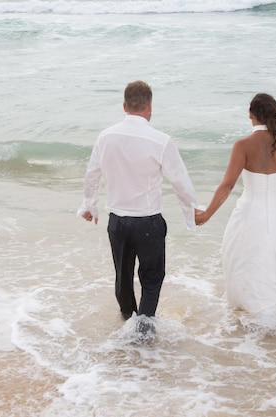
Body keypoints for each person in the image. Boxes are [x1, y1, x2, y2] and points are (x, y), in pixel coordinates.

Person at [78, 80, 198, 337]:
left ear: (124, 106)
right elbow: (180, 182)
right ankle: (141, 335)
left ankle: (127, 324)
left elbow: (92, 174)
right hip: (147, 222)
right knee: (151, 280)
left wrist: (90, 206)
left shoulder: (106, 136)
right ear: (150, 106)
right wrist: (192, 213)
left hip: (118, 222)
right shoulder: (161, 140)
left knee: (123, 278)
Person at [195, 93, 276, 329]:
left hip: (248, 212)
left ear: (250, 115)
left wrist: (206, 214)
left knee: (249, 259)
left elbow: (227, 185)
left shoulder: (242, 145)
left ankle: (254, 310)